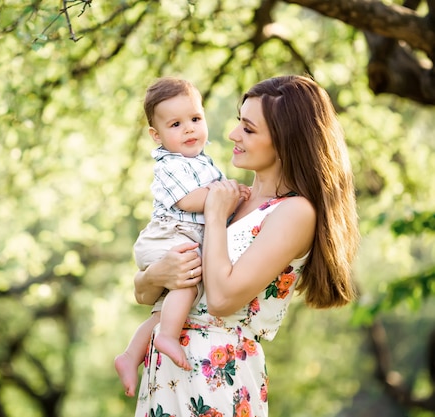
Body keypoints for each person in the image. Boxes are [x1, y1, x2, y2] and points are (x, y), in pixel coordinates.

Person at [133, 74, 360, 417]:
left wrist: (213, 216)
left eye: (249, 129)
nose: (232, 135)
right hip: (166, 374)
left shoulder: (293, 212)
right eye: (240, 122)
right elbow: (145, 294)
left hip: (216, 376)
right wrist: (154, 276)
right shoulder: (231, 198)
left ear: (286, 142)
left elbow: (222, 300)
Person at [115, 77, 246, 397]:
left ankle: (131, 355)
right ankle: (168, 338)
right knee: (187, 281)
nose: (189, 129)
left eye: (195, 119)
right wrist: (228, 195)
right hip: (168, 236)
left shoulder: (202, 161)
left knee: (166, 309)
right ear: (156, 136)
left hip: (181, 236)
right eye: (176, 124)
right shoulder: (170, 164)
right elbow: (189, 200)